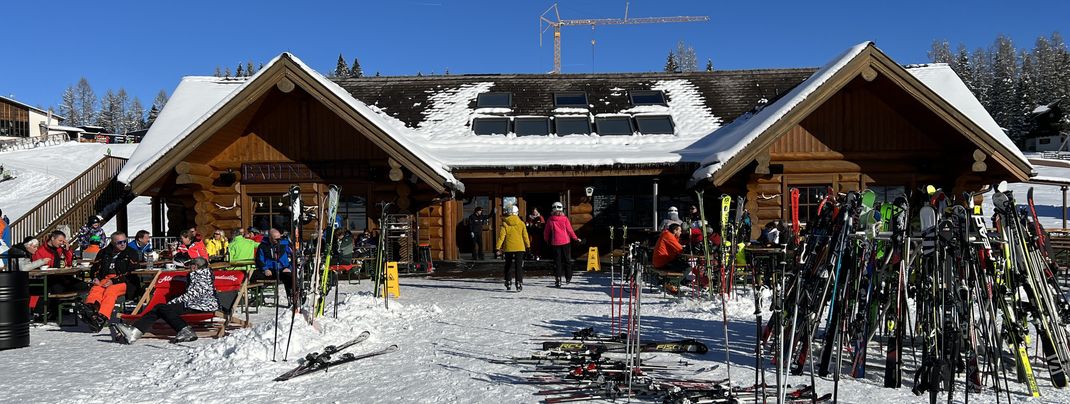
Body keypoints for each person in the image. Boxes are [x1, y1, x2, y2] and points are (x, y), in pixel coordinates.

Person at [110, 257, 219, 344]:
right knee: (160, 308)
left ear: (195, 266)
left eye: (190, 265)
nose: (189, 268)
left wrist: (173, 302)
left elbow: (193, 295)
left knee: (162, 308)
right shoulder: (201, 274)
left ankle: (185, 330)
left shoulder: (200, 276)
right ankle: (134, 332)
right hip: (196, 304)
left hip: (202, 306)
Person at [78, 232, 140, 331]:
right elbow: (95, 268)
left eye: (125, 241)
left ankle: (101, 317)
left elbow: (130, 272)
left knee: (110, 291)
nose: (123, 244)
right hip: (105, 278)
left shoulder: (131, 253)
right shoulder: (104, 252)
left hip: (125, 281)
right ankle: (90, 310)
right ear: (113, 242)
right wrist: (95, 278)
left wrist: (114, 281)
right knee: (96, 288)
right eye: (119, 242)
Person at [544, 202, 581, 287]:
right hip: (565, 242)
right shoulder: (565, 219)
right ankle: (568, 277)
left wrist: (546, 240)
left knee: (557, 262)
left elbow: (546, 232)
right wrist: (575, 238)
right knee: (567, 260)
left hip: (555, 243)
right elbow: (570, 230)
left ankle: (558, 279)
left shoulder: (550, 219)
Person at [255, 227, 295, 305]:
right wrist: (265, 269)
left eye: (279, 238)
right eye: (275, 239)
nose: (278, 241)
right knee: (255, 276)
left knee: (290, 277)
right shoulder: (263, 246)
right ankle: (257, 298)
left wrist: (289, 267)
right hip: (270, 270)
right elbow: (259, 259)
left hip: (283, 269)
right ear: (270, 238)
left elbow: (294, 257)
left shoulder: (285, 243)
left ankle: (292, 297)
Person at [496, 205, 530, 291]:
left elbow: (501, 237)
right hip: (520, 247)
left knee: (508, 265)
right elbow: (525, 236)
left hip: (508, 247)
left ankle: (508, 281)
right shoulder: (521, 223)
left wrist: (498, 247)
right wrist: (528, 246)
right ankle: (518, 282)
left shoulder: (505, 223)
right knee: (519, 266)